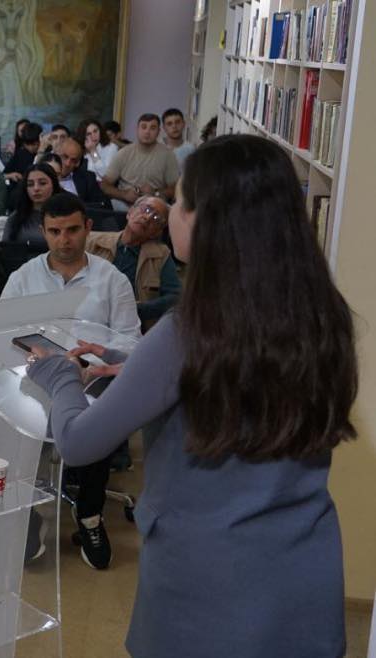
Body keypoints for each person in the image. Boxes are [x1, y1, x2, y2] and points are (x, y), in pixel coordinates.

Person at [25, 134, 355, 657]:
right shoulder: (320, 317)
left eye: (179, 202)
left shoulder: (188, 332)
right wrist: (133, 365)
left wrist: (59, 375)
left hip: (209, 581)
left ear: (211, 221)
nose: (168, 214)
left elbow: (79, 442)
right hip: (302, 569)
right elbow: (239, 376)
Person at [1, 192, 139, 569]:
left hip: (93, 375)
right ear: (43, 231)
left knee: (96, 418)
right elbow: (3, 335)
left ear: (88, 227)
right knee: (12, 415)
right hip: (35, 375)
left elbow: (130, 342)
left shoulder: (111, 280)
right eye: (55, 231)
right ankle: (28, 514)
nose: (64, 240)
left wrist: (92, 363)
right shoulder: (23, 277)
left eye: (73, 230)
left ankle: (90, 515)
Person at [86, 195, 181, 327]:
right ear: (130, 212)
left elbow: (175, 297)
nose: (147, 218)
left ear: (157, 232)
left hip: (133, 326)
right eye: (146, 209)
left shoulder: (161, 255)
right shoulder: (92, 241)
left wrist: (135, 310)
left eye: (156, 218)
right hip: (88, 318)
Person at [100, 114, 180, 210]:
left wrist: (156, 193)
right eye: (143, 127)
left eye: (152, 128)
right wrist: (124, 194)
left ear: (158, 132)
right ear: (137, 129)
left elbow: (175, 188)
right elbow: (105, 184)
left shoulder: (168, 155)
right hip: (124, 206)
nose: (147, 132)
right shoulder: (123, 153)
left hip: (154, 206)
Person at [3, 163, 63, 248]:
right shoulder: (15, 218)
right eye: (30, 184)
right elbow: (5, 249)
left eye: (42, 183)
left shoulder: (65, 215)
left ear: (54, 185)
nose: (36, 188)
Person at [56, 138, 111, 208]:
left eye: (73, 160)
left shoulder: (88, 179)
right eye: (65, 157)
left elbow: (103, 173)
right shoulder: (45, 174)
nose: (67, 164)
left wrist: (93, 152)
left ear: (77, 163)